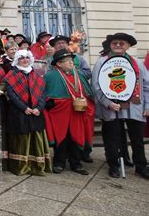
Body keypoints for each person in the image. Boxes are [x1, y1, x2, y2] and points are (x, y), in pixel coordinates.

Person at [92, 33, 149, 179]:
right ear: (110, 45)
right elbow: (96, 86)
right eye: (115, 43)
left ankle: (141, 166)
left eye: (121, 43)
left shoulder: (137, 63)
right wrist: (108, 103)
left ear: (128, 46)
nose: (118, 45)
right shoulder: (102, 62)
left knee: (137, 138)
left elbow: (147, 86)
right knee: (112, 137)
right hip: (111, 107)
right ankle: (114, 165)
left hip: (134, 106)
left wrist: (147, 105)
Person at [44, 49, 95, 176]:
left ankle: (76, 163)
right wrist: (51, 103)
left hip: (77, 111)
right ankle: (59, 163)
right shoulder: (50, 76)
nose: (72, 63)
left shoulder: (80, 75)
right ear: (59, 64)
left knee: (76, 137)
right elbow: (43, 94)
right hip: (59, 113)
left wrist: (86, 101)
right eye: (68, 62)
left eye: (72, 61)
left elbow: (88, 91)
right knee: (61, 137)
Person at [4, 50, 51, 176]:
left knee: (36, 139)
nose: (24, 60)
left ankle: (37, 166)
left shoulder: (37, 75)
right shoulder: (11, 75)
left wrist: (39, 108)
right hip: (19, 113)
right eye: (21, 58)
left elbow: (42, 94)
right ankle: (21, 166)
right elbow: (12, 95)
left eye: (26, 58)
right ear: (17, 60)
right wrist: (24, 108)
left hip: (36, 112)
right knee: (21, 140)